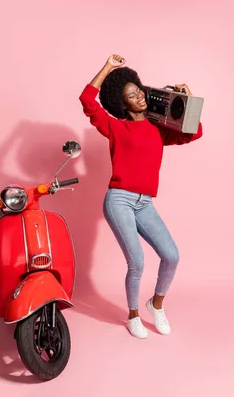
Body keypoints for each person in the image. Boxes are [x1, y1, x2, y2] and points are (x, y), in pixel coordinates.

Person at [79, 54, 203, 339]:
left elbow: (193, 132)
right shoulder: (116, 127)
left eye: (139, 90)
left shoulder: (159, 130)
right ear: (123, 104)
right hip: (119, 200)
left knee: (171, 256)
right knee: (137, 261)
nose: (139, 96)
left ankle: (155, 305)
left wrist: (189, 97)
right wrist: (108, 67)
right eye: (132, 95)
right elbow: (87, 101)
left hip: (144, 203)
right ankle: (133, 315)